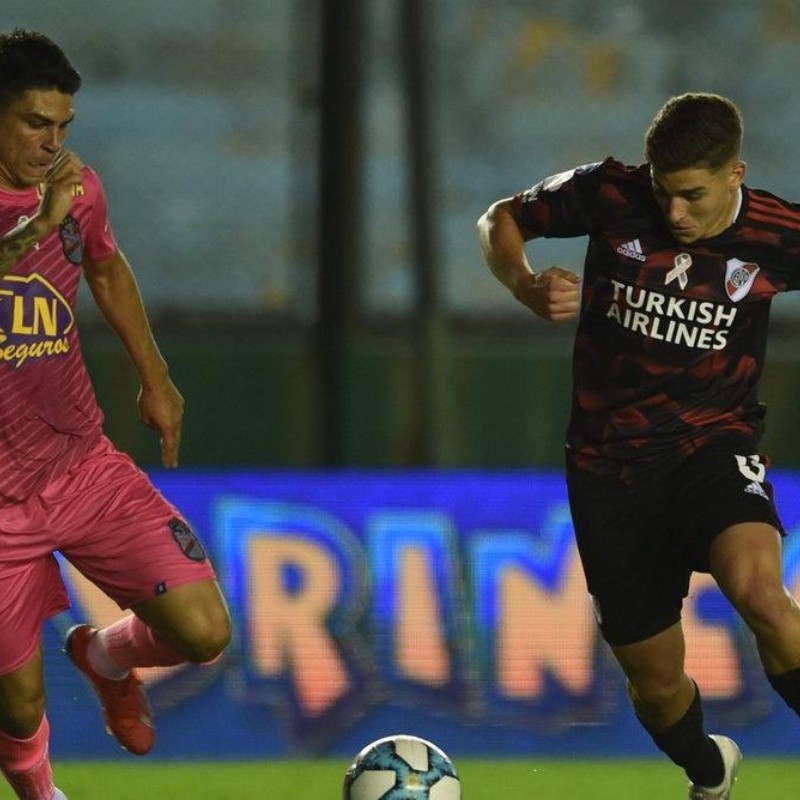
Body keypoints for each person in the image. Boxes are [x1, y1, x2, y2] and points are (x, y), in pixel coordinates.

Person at [478, 91, 800, 799]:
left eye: (692, 196)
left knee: (761, 595)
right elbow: (500, 218)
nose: (675, 214)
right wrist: (526, 285)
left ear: (735, 173)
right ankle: (709, 771)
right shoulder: (609, 192)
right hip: (607, 470)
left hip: (713, 444)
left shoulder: (779, 232)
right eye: (664, 194)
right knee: (655, 687)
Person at [0, 29, 232, 800]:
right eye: (37, 123)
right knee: (18, 704)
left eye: (64, 126)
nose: (53, 143)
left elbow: (102, 262)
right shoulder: (43, 205)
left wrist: (155, 376)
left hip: (80, 465)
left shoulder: (76, 189)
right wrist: (37, 223)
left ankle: (102, 656)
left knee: (205, 632)